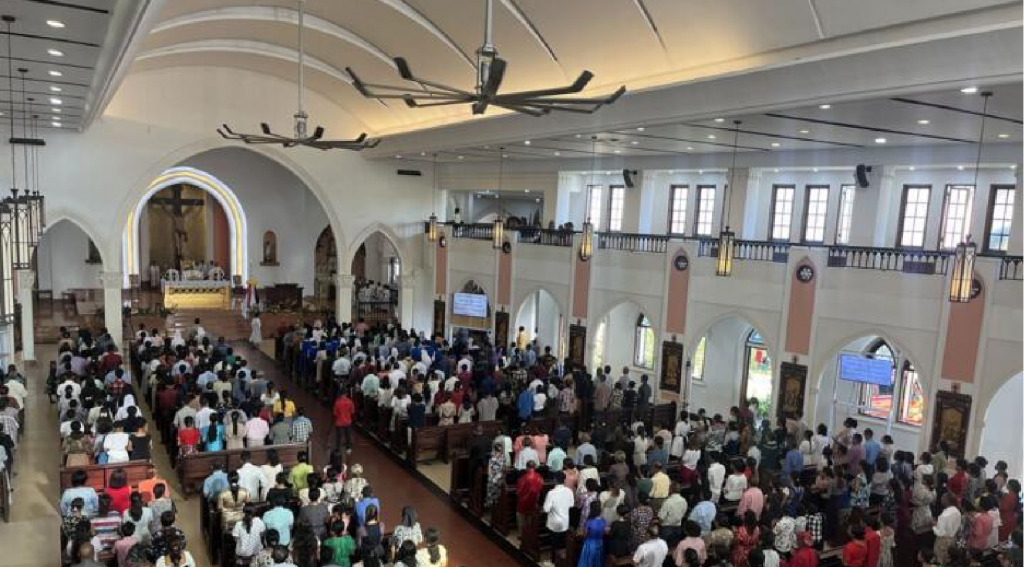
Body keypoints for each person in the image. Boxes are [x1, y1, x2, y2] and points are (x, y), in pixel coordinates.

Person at [543, 472, 574, 558]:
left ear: (554, 480)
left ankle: (554, 560)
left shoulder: (551, 493)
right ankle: (560, 560)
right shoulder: (569, 491)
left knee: (555, 544)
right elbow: (571, 505)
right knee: (562, 543)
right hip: (565, 522)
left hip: (554, 523)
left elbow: (546, 509)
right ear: (564, 480)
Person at [576, 500, 605, 567]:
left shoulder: (589, 522)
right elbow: (603, 532)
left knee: (587, 562)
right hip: (600, 544)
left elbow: (585, 535)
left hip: (590, 545)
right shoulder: (603, 521)